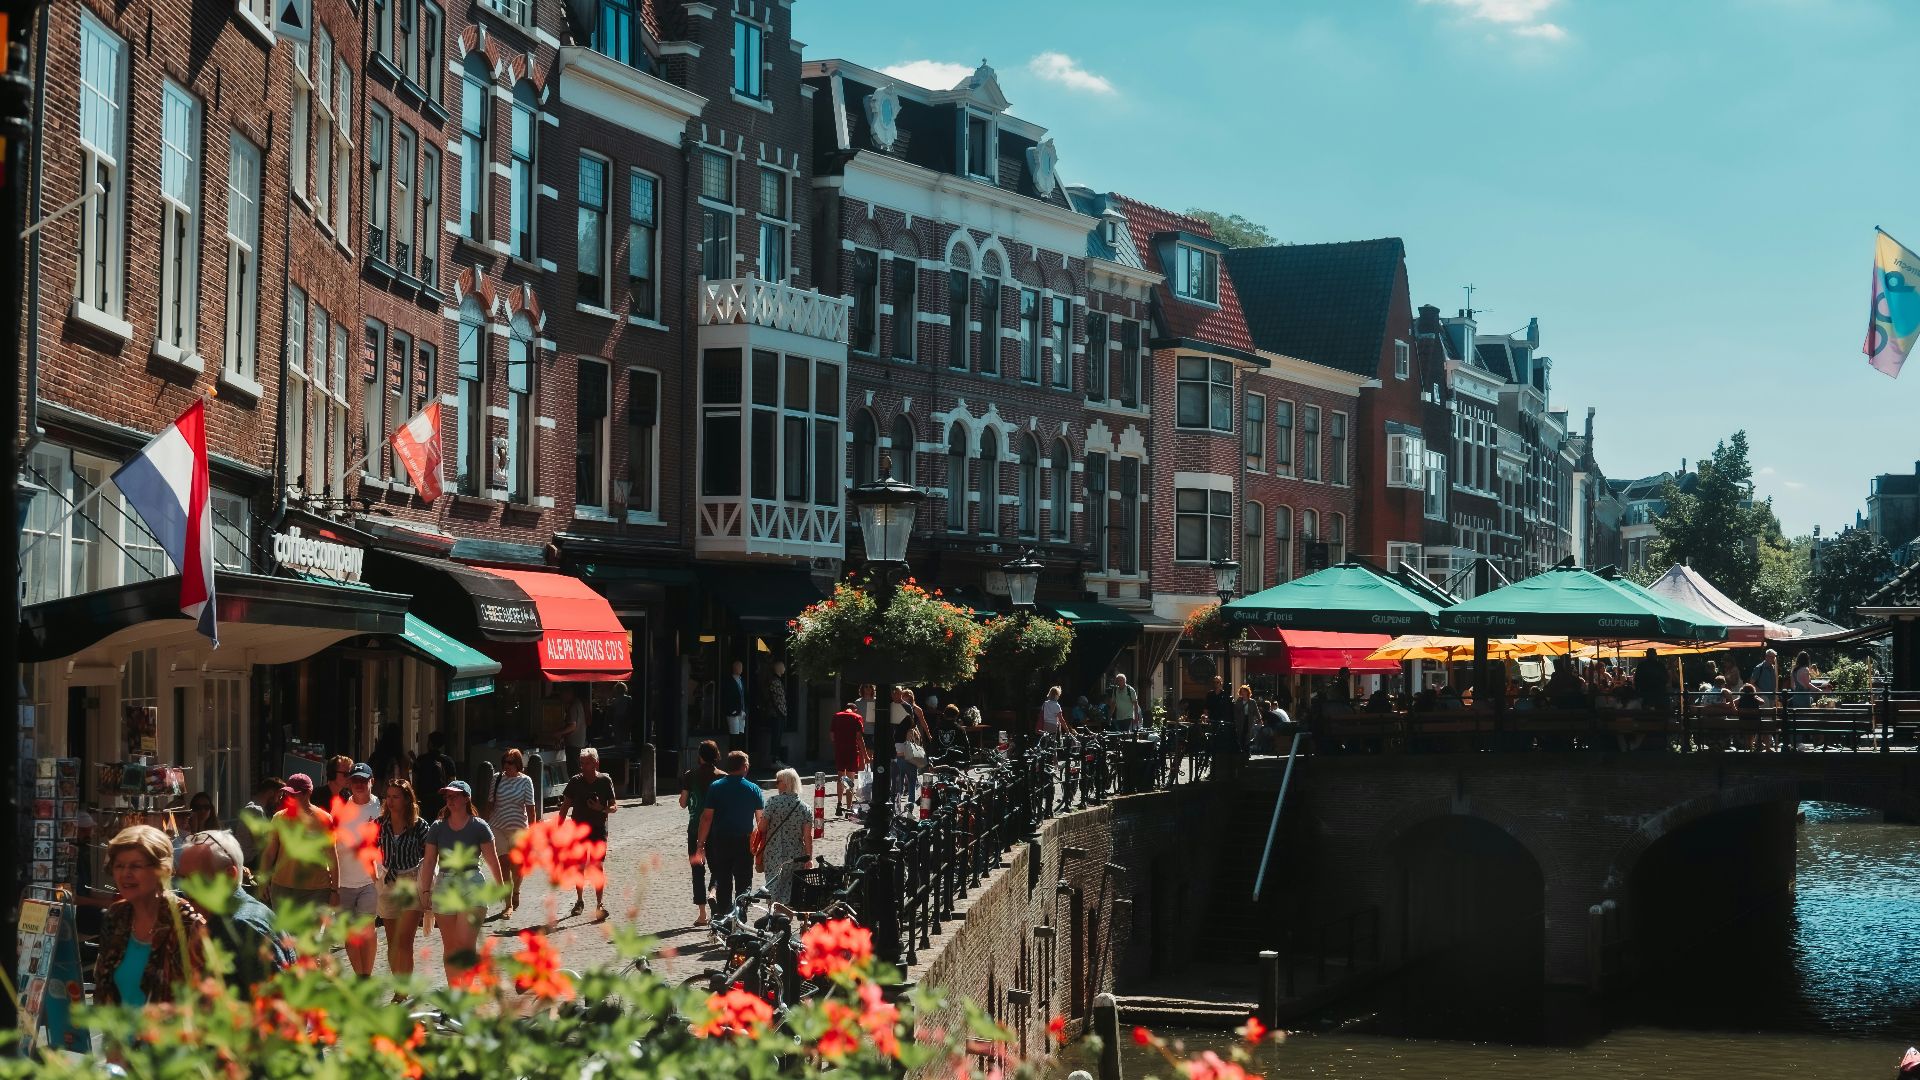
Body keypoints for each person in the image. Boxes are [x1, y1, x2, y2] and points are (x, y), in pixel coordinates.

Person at [95, 825, 207, 1006]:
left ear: (162, 870)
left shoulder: (187, 925)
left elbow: (202, 1002)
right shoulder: (116, 916)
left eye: (136, 866)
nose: (125, 874)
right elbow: (103, 989)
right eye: (119, 866)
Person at [176, 830, 290, 989]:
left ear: (229, 876)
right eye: (182, 879)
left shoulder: (239, 927)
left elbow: (275, 998)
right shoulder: (248, 914)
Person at [419, 780, 503, 978]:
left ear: (466, 798)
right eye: (448, 796)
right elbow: (429, 861)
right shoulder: (437, 827)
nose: (450, 800)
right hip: (445, 884)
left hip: (471, 882)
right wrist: (425, 890)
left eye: (455, 795)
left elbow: (492, 859)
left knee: (465, 945)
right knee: (451, 948)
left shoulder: (479, 826)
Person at [694, 751, 764, 920]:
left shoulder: (716, 787)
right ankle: (741, 918)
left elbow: (706, 817)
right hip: (744, 841)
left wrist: (700, 843)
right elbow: (761, 821)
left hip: (721, 840)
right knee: (744, 882)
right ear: (744, 767)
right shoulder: (753, 788)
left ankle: (725, 917)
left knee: (723, 880)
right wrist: (761, 846)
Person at [257, 773, 338, 918]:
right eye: (288, 793)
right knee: (284, 932)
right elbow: (269, 853)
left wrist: (335, 891)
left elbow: (332, 855)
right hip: (282, 888)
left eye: (295, 794)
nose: (291, 797)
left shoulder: (324, 819)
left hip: (316, 890)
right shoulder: (279, 818)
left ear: (308, 793)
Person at [330, 762, 382, 976]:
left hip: (370, 880)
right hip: (344, 881)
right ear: (349, 783)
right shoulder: (340, 810)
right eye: (355, 780)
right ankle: (360, 976)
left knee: (367, 929)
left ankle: (366, 975)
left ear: (372, 781)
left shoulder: (381, 808)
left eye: (363, 780)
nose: (359, 784)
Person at [376, 779, 430, 977]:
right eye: (388, 797)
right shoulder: (379, 824)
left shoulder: (419, 825)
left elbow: (431, 854)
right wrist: (373, 872)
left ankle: (403, 988)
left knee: (405, 941)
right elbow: (364, 849)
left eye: (396, 797)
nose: (390, 801)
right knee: (393, 941)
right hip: (388, 881)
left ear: (407, 799)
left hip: (410, 881)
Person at [557, 746, 617, 919]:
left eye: (587, 763)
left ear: (596, 763)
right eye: (582, 763)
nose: (583, 767)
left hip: (598, 829)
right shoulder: (575, 782)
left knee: (597, 867)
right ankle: (579, 900)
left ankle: (599, 904)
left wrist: (601, 808)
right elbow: (565, 806)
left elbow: (614, 806)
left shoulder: (605, 781)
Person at [487, 748, 538, 918]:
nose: (506, 766)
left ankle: (516, 890)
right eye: (504, 762)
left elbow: (531, 809)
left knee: (518, 867)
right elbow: (490, 803)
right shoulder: (497, 778)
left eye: (510, 762)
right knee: (504, 865)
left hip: (519, 829)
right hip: (498, 827)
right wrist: (483, 825)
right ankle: (507, 905)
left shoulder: (526, 781)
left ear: (518, 764)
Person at [679, 740, 725, 926]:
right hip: (717, 829)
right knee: (718, 867)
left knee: (697, 870)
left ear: (700, 756)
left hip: (695, 829)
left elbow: (683, 803)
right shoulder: (722, 777)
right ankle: (713, 892)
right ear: (717, 755)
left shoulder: (690, 775)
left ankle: (702, 914)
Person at [756, 769, 813, 904]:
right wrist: (809, 858)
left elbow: (762, 828)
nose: (776, 785)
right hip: (796, 854)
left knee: (773, 886)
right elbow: (807, 837)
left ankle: (773, 913)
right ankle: (785, 913)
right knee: (791, 889)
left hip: (773, 853)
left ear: (786, 783)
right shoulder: (805, 808)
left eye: (778, 782)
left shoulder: (772, 802)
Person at [237, 776, 284, 872]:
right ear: (270, 793)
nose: (279, 801)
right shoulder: (255, 810)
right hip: (251, 861)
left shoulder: (255, 808)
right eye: (279, 796)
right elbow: (262, 843)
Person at [412, 731, 459, 821]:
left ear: (430, 743)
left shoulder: (421, 760)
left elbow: (414, 781)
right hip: (441, 800)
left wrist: (415, 798)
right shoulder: (448, 761)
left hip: (424, 799)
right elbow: (452, 782)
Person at [830, 707, 866, 819]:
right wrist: (865, 755)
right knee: (850, 779)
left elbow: (832, 736)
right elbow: (859, 738)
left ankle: (839, 803)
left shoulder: (836, 716)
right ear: (855, 709)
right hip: (852, 751)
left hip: (840, 750)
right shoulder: (857, 717)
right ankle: (849, 808)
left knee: (841, 777)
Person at [557, 687, 591, 774]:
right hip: (579, 743)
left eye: (562, 695)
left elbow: (572, 726)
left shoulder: (573, 706)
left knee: (573, 771)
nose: (561, 698)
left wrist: (558, 733)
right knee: (577, 769)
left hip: (573, 744)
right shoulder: (578, 703)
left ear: (568, 694)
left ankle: (576, 783)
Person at [722, 659, 750, 750]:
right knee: (734, 735)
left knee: (741, 735)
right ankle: (733, 755)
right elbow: (726, 696)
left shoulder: (742, 680)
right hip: (733, 712)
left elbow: (744, 695)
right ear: (735, 668)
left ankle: (739, 754)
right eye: (739, 667)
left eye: (741, 667)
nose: (741, 668)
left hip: (742, 711)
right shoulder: (729, 681)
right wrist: (731, 710)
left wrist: (745, 709)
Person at [1634, 649, 1671, 714]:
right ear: (1655, 655)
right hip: (1659, 693)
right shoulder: (1660, 665)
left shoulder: (1642, 665)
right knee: (1659, 712)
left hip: (1646, 693)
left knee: (1646, 712)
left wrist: (1638, 691)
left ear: (1646, 655)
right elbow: (1665, 678)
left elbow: (1637, 680)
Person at [369, 722, 405, 787]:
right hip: (392, 792)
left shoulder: (375, 757)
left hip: (376, 790)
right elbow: (405, 782)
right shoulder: (400, 760)